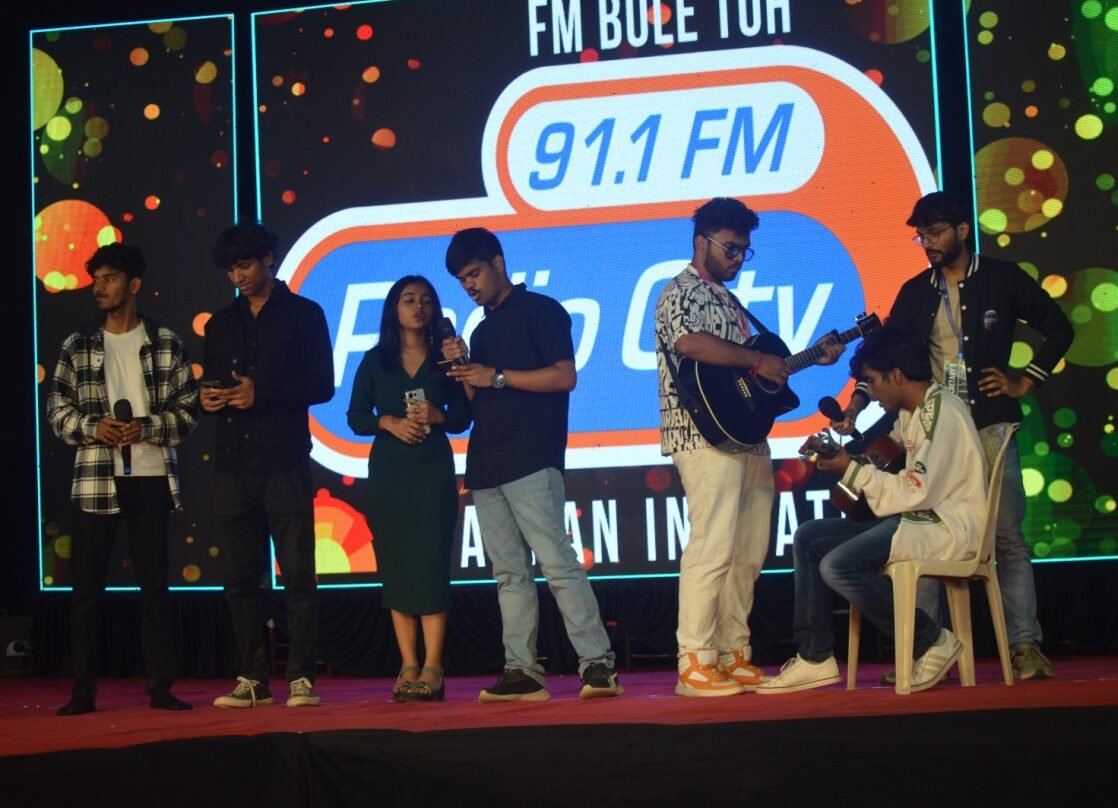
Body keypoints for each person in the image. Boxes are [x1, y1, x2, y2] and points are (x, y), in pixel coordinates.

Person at [831, 191, 1073, 681]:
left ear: (962, 230)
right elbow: (884, 355)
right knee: (920, 526)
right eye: (921, 236)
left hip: (989, 422)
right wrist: (856, 403)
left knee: (1006, 535)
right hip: (935, 427)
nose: (927, 243)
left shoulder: (1003, 278)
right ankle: (928, 650)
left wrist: (1023, 381)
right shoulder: (916, 292)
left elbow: (1059, 328)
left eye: (935, 233)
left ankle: (1025, 645)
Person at [653, 197, 844, 697]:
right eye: (731, 249)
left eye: (744, 251)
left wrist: (806, 359)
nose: (739, 258)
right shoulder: (680, 291)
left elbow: (749, 375)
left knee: (748, 551)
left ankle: (731, 651)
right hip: (702, 435)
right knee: (713, 546)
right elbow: (690, 343)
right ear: (701, 243)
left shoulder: (730, 301)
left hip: (746, 436)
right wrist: (757, 361)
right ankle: (694, 660)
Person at [440, 227, 621, 702]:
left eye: (474, 273)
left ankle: (598, 664)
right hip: (486, 461)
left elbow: (565, 376)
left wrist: (495, 376)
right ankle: (522, 670)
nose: (469, 285)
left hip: (532, 456)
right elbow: (478, 401)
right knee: (508, 575)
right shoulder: (480, 331)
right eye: (462, 280)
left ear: (498, 263)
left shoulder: (543, 310)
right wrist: (465, 369)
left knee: (557, 563)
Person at [757, 326, 986, 694]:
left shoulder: (940, 412)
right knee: (809, 537)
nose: (871, 393)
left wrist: (851, 468)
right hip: (916, 518)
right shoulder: (914, 412)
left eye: (872, 382)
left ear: (896, 375)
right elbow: (887, 462)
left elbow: (916, 492)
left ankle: (931, 640)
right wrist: (845, 460)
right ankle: (815, 657)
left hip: (942, 523)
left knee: (838, 565)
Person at [46, 243, 199, 716]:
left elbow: (188, 411)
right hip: (96, 478)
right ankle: (82, 692)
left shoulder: (166, 341)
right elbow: (57, 410)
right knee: (86, 590)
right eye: (96, 279)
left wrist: (146, 427)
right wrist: (94, 427)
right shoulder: (78, 345)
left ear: (133, 285)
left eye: (109, 278)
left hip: (150, 475)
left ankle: (161, 687)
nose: (99, 287)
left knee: (154, 587)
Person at [201, 221, 335, 708]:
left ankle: (301, 678)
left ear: (268, 259)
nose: (237, 276)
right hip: (233, 464)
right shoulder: (220, 324)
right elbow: (212, 384)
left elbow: (322, 385)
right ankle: (252, 678)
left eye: (245, 266)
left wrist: (263, 393)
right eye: (230, 269)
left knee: (298, 576)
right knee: (240, 580)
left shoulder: (304, 314)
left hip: (284, 460)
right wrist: (207, 400)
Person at [347, 276, 471, 702]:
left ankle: (433, 666)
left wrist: (438, 415)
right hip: (390, 474)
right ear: (393, 309)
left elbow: (463, 416)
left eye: (426, 300)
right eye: (408, 300)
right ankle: (408, 665)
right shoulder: (375, 360)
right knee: (397, 566)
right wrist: (387, 422)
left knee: (431, 564)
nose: (419, 307)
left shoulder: (445, 358)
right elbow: (356, 416)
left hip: (432, 471)